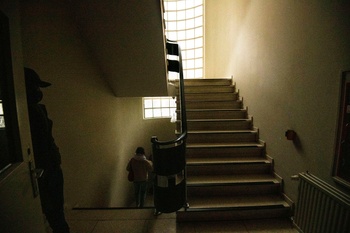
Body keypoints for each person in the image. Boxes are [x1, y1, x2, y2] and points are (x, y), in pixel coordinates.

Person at [24, 67, 70, 233]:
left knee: (55, 213)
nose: (38, 91)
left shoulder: (36, 110)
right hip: (46, 171)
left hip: (49, 169)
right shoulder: (28, 114)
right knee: (55, 214)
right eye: (35, 87)